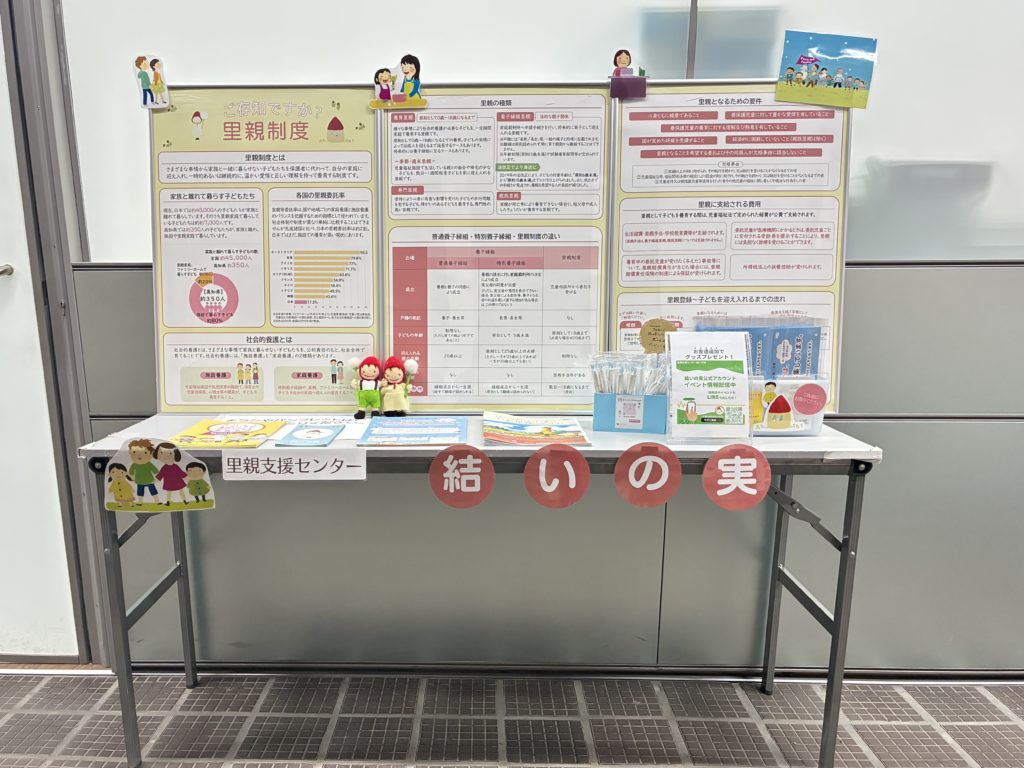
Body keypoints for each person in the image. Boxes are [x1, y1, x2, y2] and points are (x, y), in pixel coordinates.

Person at [127, 439, 160, 505]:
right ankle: (140, 502)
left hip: (149, 480)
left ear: (150, 454)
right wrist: (133, 478)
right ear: (130, 453)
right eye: (134, 452)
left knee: (153, 491)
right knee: (140, 492)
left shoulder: (149, 464)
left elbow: (156, 472)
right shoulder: (134, 465)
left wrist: (156, 479)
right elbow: (130, 473)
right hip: (139, 481)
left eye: (145, 452)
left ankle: (157, 501)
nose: (139, 455)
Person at [350, 355, 382, 419]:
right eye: (364, 371)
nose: (369, 374)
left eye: (374, 371)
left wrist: (384, 383)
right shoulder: (360, 381)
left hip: (374, 399)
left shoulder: (377, 382)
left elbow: (382, 384)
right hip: (363, 399)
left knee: (375, 407)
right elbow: (355, 384)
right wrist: (353, 383)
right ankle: (361, 413)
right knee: (362, 405)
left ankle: (375, 412)